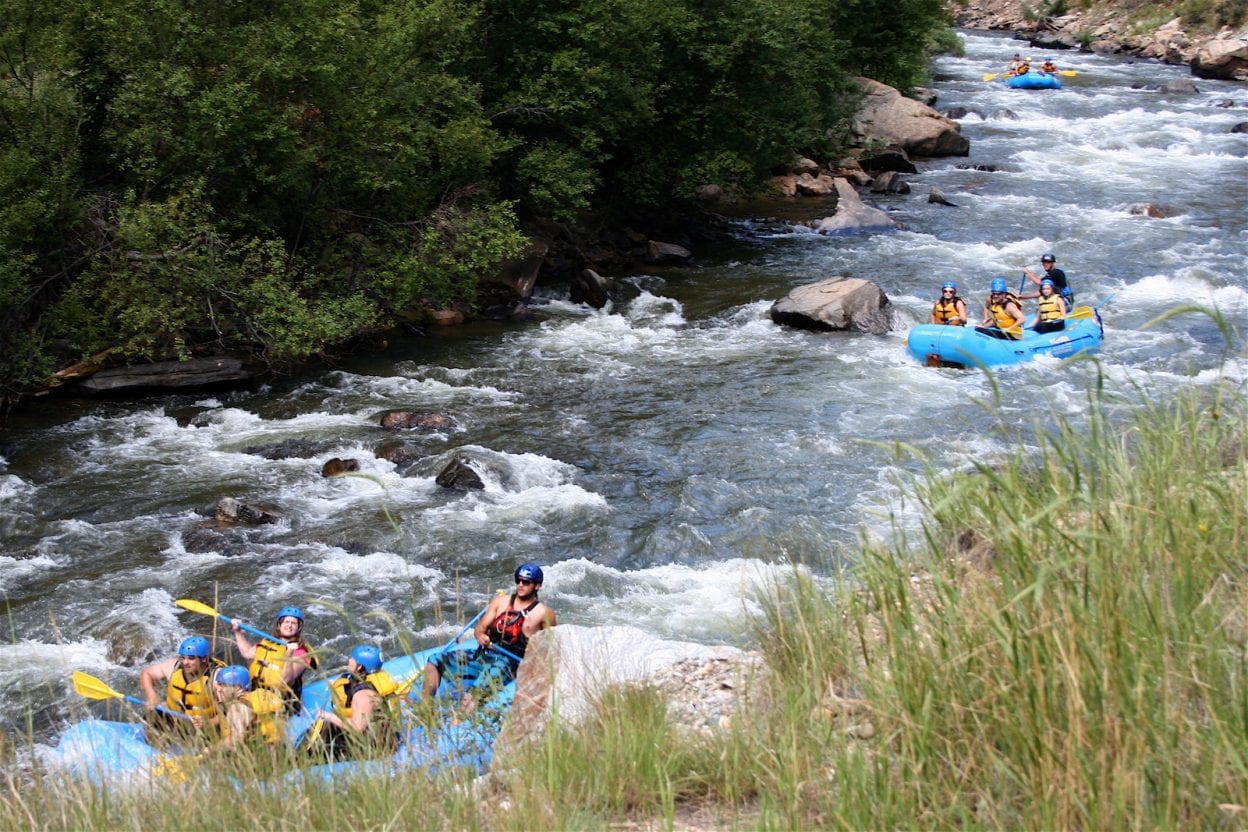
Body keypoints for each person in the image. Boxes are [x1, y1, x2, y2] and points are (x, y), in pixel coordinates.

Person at [422, 562, 557, 701]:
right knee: (434, 660)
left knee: (473, 696)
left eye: (526, 582)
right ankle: (425, 706)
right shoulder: (500, 601)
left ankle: (460, 718)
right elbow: (480, 629)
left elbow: (549, 648)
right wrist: (480, 636)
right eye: (518, 580)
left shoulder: (544, 613)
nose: (520, 585)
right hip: (483, 655)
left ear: (537, 586)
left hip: (510, 662)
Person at [308, 645, 404, 759]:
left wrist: (328, 716)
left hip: (379, 747)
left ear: (359, 667)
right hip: (381, 734)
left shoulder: (364, 694)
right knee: (325, 727)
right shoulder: (374, 677)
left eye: (352, 659)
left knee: (325, 730)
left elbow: (358, 727)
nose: (349, 660)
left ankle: (305, 760)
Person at [232, 605, 318, 714]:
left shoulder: (301, 652)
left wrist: (289, 655)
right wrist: (237, 632)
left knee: (240, 710)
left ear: (299, 627)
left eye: (293, 623)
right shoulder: (268, 643)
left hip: (282, 702)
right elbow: (247, 653)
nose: (289, 625)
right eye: (286, 622)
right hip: (257, 692)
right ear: (279, 624)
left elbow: (285, 680)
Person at [139, 635, 218, 727]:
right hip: (174, 718)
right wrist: (151, 695)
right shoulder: (174, 666)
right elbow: (146, 673)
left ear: (204, 659)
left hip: (200, 725)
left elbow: (231, 710)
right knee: (153, 714)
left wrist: (210, 723)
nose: (185, 663)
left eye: (191, 658)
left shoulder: (216, 678)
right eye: (183, 657)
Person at [210, 664, 285, 750]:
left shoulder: (238, 707)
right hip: (280, 749)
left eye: (222, 685)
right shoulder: (261, 694)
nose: (218, 689)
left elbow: (235, 741)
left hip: (259, 753)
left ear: (237, 687)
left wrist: (209, 751)